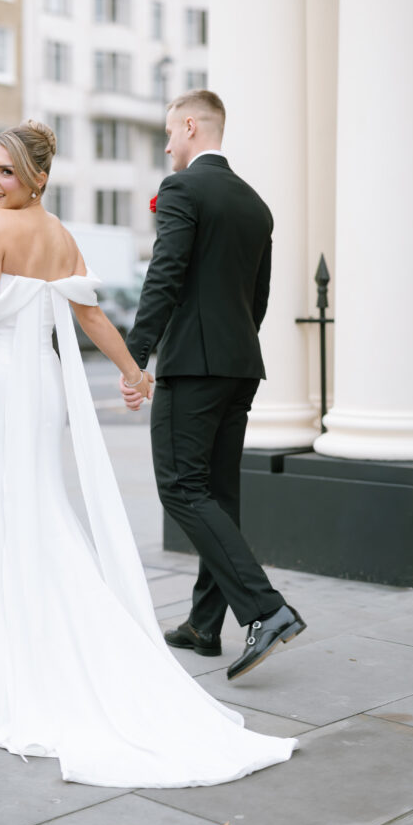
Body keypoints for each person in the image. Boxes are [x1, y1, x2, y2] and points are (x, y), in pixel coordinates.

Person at [0, 120, 298, 788]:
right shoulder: (60, 237)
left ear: (36, 177)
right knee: (25, 515)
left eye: (5, 170)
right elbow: (90, 316)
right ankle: (15, 654)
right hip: (38, 391)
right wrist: (133, 371)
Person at [121, 91, 306, 681]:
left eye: (170, 133)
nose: (168, 144)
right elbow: (258, 298)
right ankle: (205, 625)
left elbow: (166, 273)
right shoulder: (255, 203)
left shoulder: (182, 189)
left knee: (181, 487)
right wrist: (230, 345)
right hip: (239, 364)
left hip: (194, 366)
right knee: (219, 495)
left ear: (192, 125)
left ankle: (268, 610)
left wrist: (135, 357)